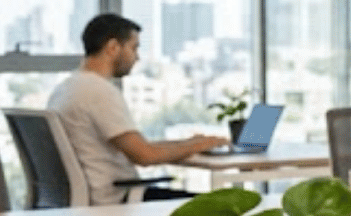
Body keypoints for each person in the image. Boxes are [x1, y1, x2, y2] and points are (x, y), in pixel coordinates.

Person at [47, 13, 225, 204]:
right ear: (113, 47)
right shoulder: (98, 91)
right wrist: (197, 146)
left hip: (94, 199)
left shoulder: (66, 88)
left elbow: (138, 146)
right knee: (224, 207)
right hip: (117, 201)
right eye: (134, 48)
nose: (137, 57)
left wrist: (188, 143)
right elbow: (144, 156)